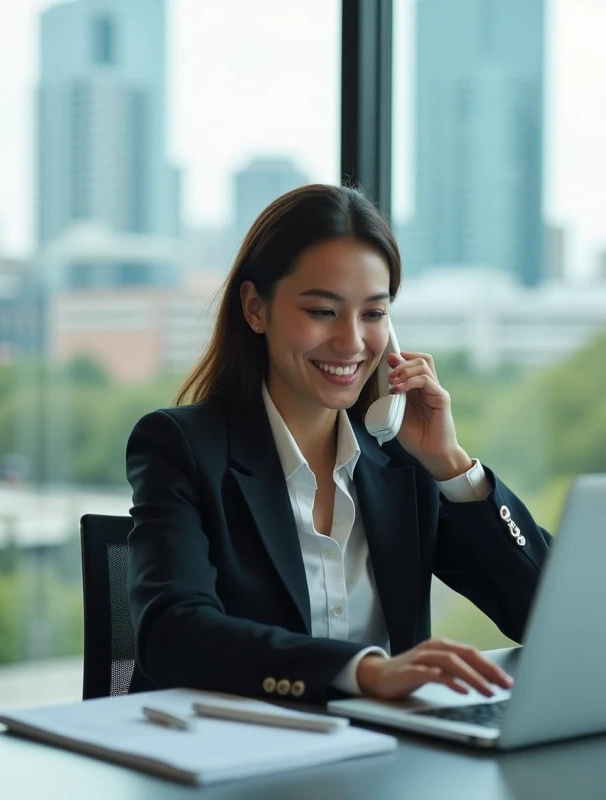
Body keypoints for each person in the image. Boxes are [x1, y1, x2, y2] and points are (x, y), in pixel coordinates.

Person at [126, 184, 552, 705]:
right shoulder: (183, 448)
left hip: (383, 762)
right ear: (256, 309)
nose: (352, 342)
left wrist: (451, 466)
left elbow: (547, 612)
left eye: (373, 314)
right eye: (323, 311)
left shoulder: (402, 462)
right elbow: (174, 635)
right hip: (232, 764)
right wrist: (363, 672)